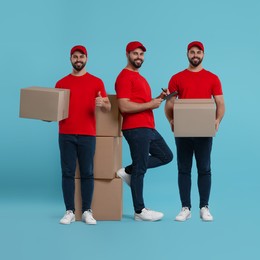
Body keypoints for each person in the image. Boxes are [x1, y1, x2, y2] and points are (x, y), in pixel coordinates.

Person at [165, 41, 225, 222]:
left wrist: (217, 120)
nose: (195, 55)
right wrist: (171, 120)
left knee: (204, 169)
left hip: (204, 131)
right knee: (183, 169)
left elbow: (220, 103)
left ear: (203, 54)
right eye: (192, 52)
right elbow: (169, 103)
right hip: (183, 131)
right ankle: (185, 208)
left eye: (198, 52)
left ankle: (204, 207)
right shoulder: (177, 78)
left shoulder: (212, 78)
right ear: (187, 54)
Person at [115, 41, 173, 221]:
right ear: (127, 54)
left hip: (147, 127)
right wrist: (150, 104)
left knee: (166, 156)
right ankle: (139, 211)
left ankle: (129, 170)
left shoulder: (140, 77)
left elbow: (141, 103)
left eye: (141, 54)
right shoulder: (124, 77)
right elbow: (124, 106)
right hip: (135, 128)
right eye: (135, 54)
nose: (139, 57)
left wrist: (159, 99)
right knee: (141, 168)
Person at [56, 45, 111, 225]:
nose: (78, 59)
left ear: (86, 58)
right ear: (70, 59)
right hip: (66, 134)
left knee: (87, 172)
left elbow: (109, 107)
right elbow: (54, 109)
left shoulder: (96, 82)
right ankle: (69, 211)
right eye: (75, 56)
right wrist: (47, 116)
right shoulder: (61, 83)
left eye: (81, 56)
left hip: (88, 134)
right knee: (67, 173)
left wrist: (102, 103)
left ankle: (87, 211)